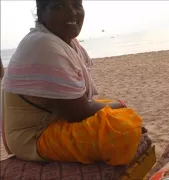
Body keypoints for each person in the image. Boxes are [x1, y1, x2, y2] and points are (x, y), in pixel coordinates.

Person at [1, 0, 143, 165]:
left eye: (77, 5)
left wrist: (116, 109)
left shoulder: (65, 41)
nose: (72, 12)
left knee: (114, 112)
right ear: (41, 13)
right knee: (122, 129)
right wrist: (121, 104)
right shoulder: (44, 44)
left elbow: (81, 102)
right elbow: (79, 112)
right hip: (33, 137)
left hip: (57, 118)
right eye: (59, 6)